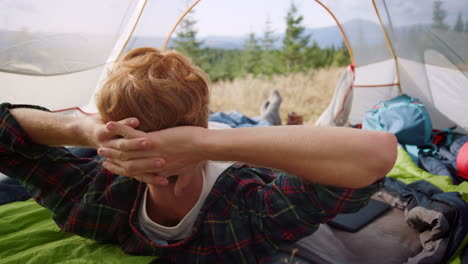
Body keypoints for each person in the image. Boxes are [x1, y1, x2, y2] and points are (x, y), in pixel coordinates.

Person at [0, 47, 397, 263]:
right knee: (251, 125)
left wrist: (82, 128)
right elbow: (377, 153)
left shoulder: (90, 202)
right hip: (229, 137)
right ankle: (265, 117)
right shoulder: (249, 216)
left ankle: (264, 117)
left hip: (228, 137)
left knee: (249, 125)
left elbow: (8, 133)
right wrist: (85, 130)